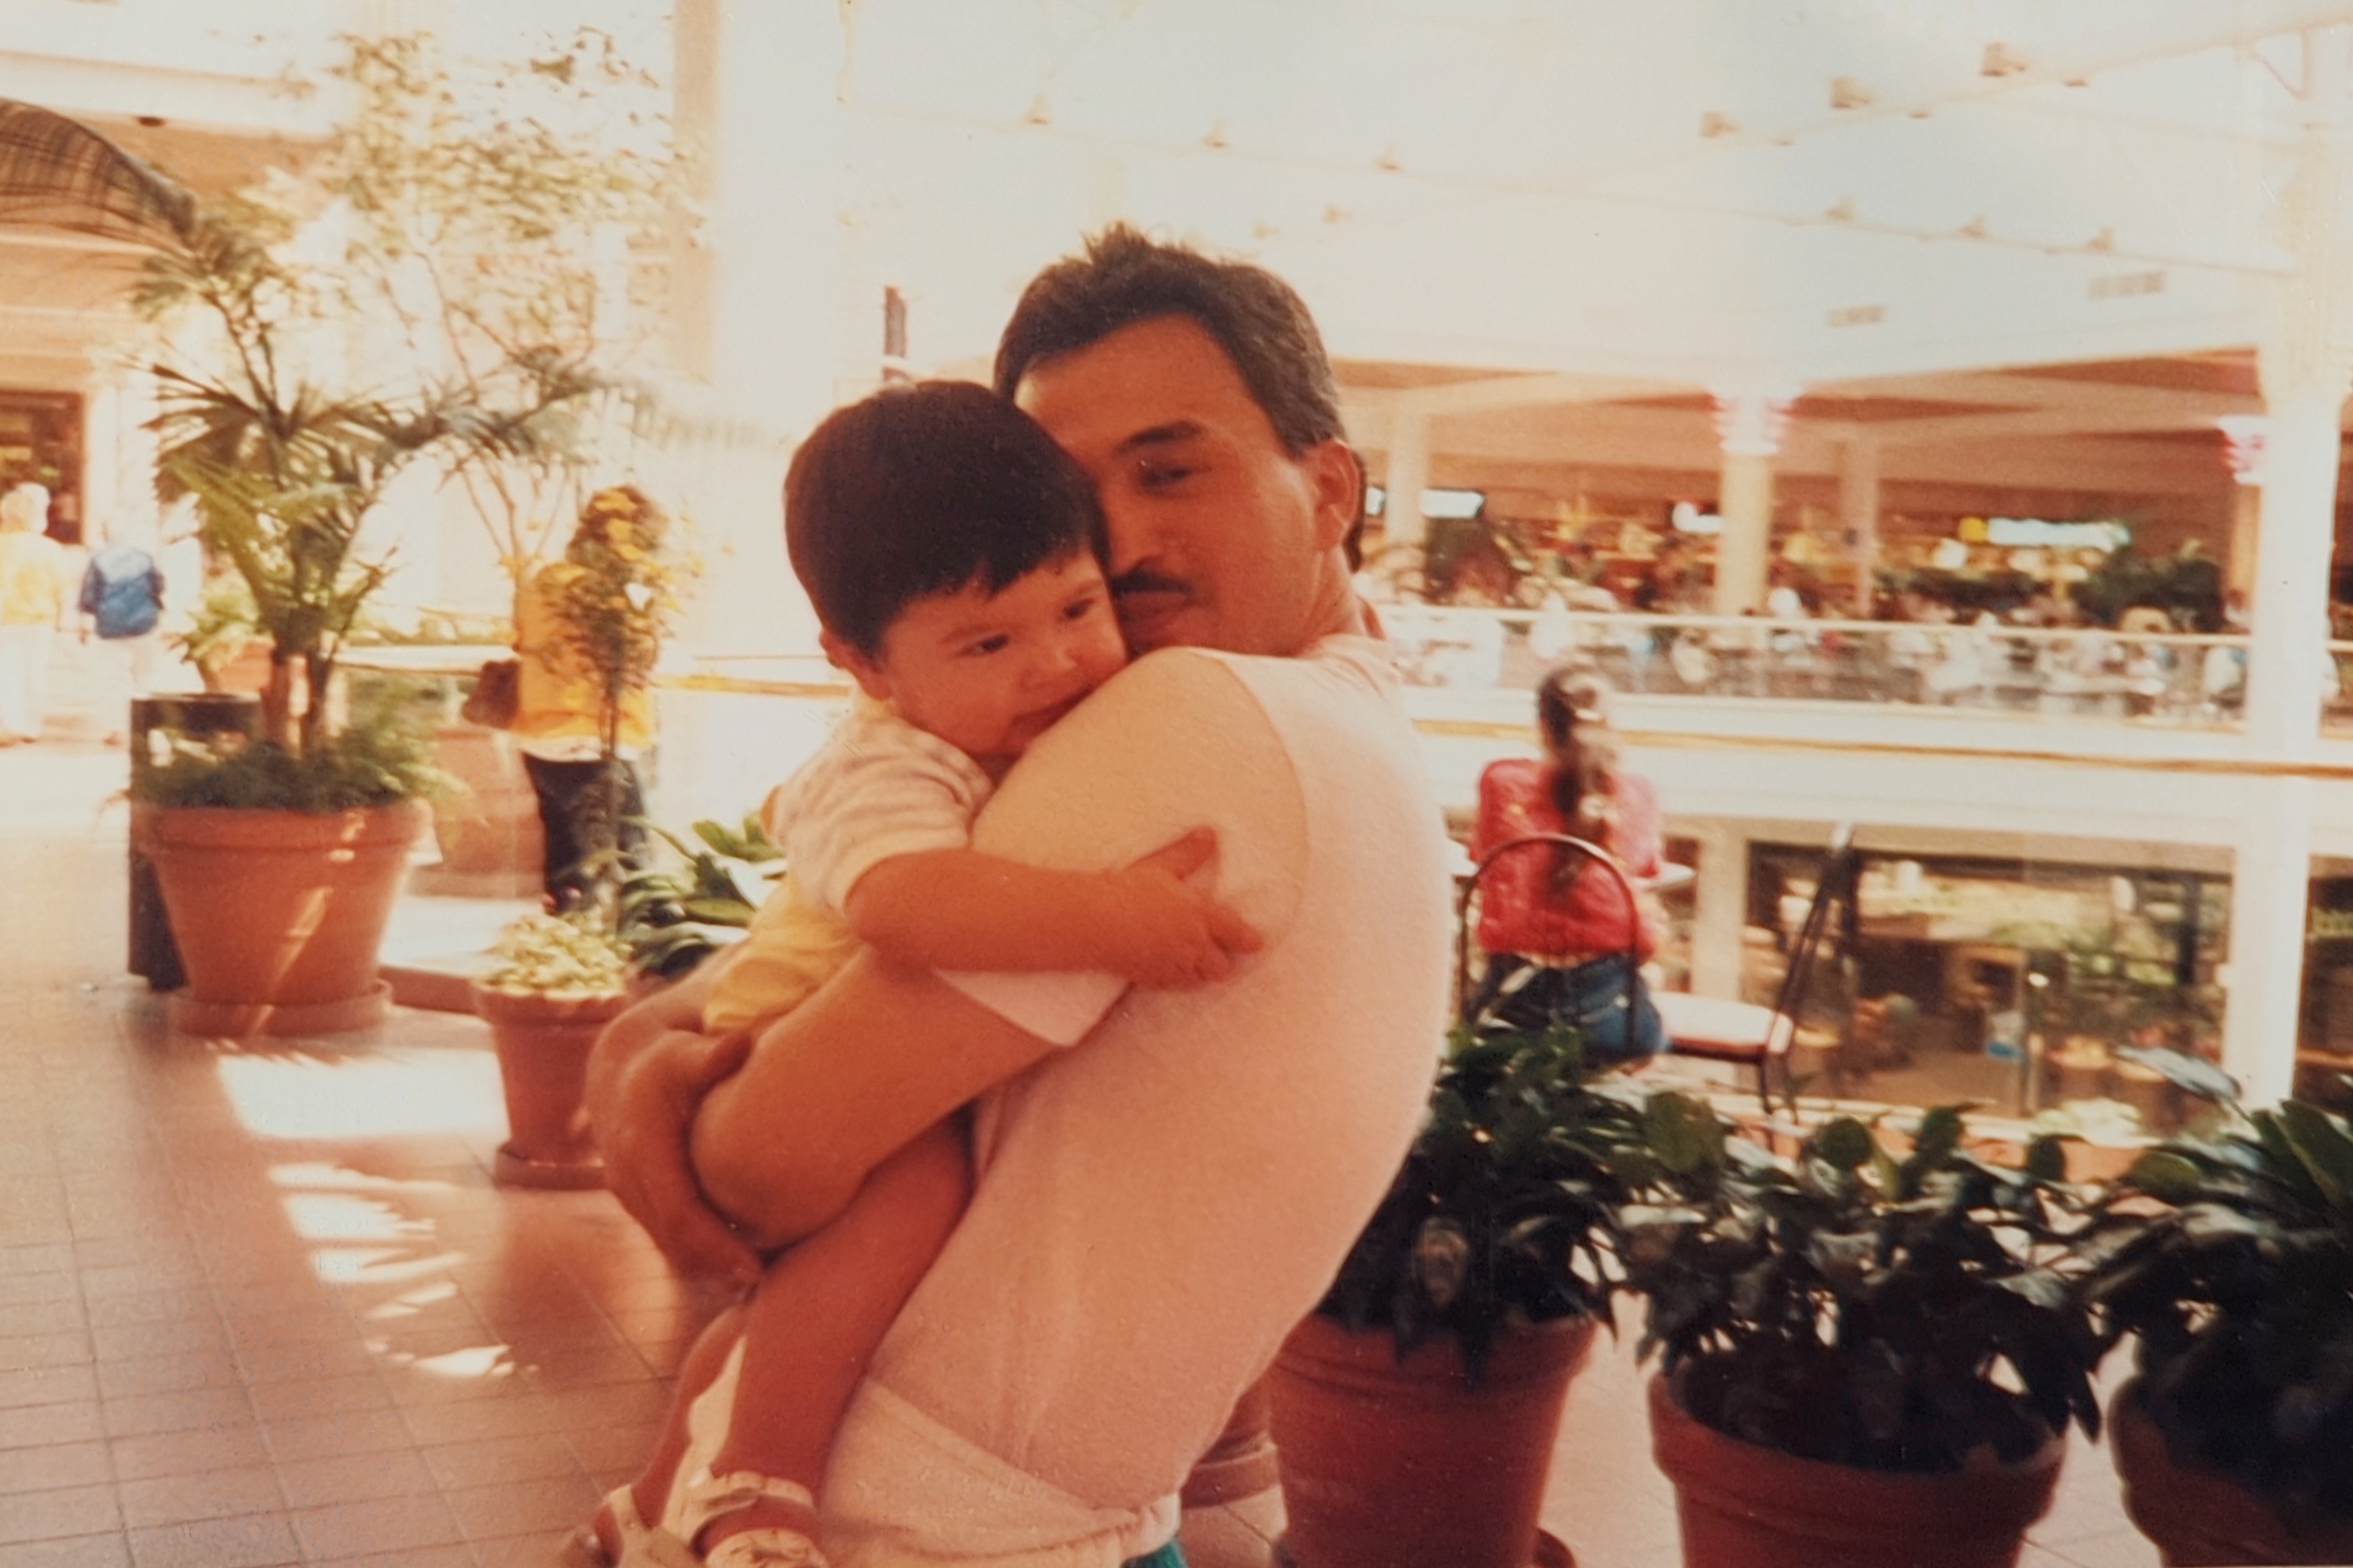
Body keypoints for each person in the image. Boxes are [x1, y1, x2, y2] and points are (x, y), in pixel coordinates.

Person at [586, 225, 1455, 1568]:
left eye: (1170, 468)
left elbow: (762, 1166)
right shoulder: (1367, 726)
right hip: (1081, 1510)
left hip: (914, 1520)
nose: (1111, 535)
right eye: (1070, 485)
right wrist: (673, 1022)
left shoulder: (1198, 706)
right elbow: (890, 912)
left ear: (1329, 486)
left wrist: (654, 1076)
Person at [584, 380, 1263, 1568]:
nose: (1055, 661)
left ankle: (647, 1502)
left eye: (1078, 605)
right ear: (862, 663)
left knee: (792, 1307)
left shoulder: (1000, 725)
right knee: (900, 1206)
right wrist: (1113, 917)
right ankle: (760, 1485)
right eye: (988, 641)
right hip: (796, 1019)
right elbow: (907, 908)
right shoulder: (891, 766)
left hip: (806, 1018)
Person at [1465, 667, 1667, 1065]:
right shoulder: (1638, 793)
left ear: (1543, 726)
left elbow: (1485, 862)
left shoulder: (1500, 782)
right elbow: (1645, 868)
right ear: (1610, 723)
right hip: (1610, 1018)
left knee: (1478, 1034)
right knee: (1647, 1028)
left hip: (1512, 1010)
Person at [512, 487, 664, 910]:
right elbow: (636, 664)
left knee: (565, 862)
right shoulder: (615, 593)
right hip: (592, 739)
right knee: (632, 858)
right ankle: (653, 954)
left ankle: (566, 942)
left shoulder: (542, 582)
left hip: (539, 737)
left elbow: (521, 640)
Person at [77, 526, 167, 745]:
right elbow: (159, 586)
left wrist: (85, 623)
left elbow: (89, 595)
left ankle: (117, 729)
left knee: (112, 680)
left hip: (110, 626)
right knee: (143, 676)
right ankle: (144, 725)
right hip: (144, 624)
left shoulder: (99, 559)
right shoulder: (145, 559)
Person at [0, 483, 69, 746]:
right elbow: (61, 589)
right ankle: (32, 726)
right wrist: (62, 620)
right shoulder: (50, 549)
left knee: (9, 673)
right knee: (35, 674)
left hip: (7, 620)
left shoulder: (3, 547)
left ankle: (11, 723)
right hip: (41, 621)